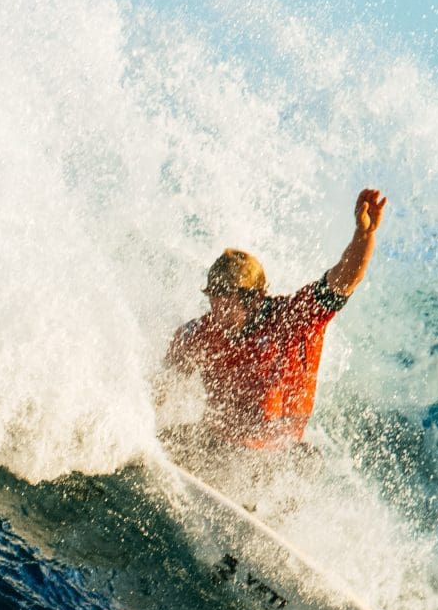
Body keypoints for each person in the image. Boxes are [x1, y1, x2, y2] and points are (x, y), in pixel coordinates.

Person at [164, 188, 387, 451]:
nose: (218, 304)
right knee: (171, 437)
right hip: (216, 446)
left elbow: (344, 280)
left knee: (307, 457)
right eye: (214, 293)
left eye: (227, 295)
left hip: (280, 457)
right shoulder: (198, 334)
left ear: (255, 297)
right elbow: (165, 386)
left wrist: (364, 235)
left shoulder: (293, 318)